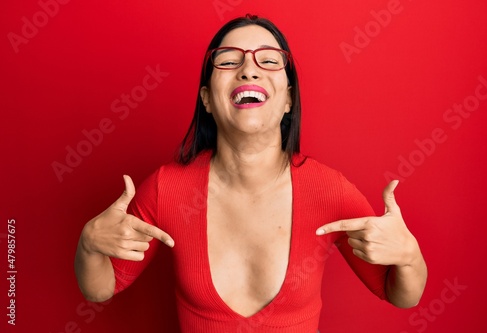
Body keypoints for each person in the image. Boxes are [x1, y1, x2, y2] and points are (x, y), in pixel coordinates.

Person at [74, 14, 427, 333]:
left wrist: (409, 255)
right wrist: (89, 243)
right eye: (229, 61)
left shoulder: (329, 190)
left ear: (288, 99)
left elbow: (398, 294)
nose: (249, 69)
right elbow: (101, 288)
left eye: (269, 60)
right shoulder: (168, 189)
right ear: (207, 99)